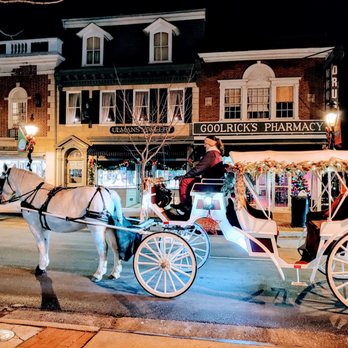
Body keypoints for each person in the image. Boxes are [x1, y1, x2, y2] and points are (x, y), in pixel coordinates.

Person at [171, 135, 225, 214]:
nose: (204, 145)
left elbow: (198, 168)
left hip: (209, 183)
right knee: (189, 182)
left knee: (185, 181)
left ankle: (185, 204)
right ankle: (187, 204)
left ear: (210, 144)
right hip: (213, 182)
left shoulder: (211, 154)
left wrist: (184, 176)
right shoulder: (217, 154)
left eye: (205, 143)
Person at [297, 186, 348, 263]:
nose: (341, 187)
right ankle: (309, 250)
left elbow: (338, 213)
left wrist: (326, 215)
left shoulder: (345, 198)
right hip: (335, 219)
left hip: (337, 222)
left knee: (312, 220)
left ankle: (310, 253)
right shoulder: (343, 197)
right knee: (310, 217)